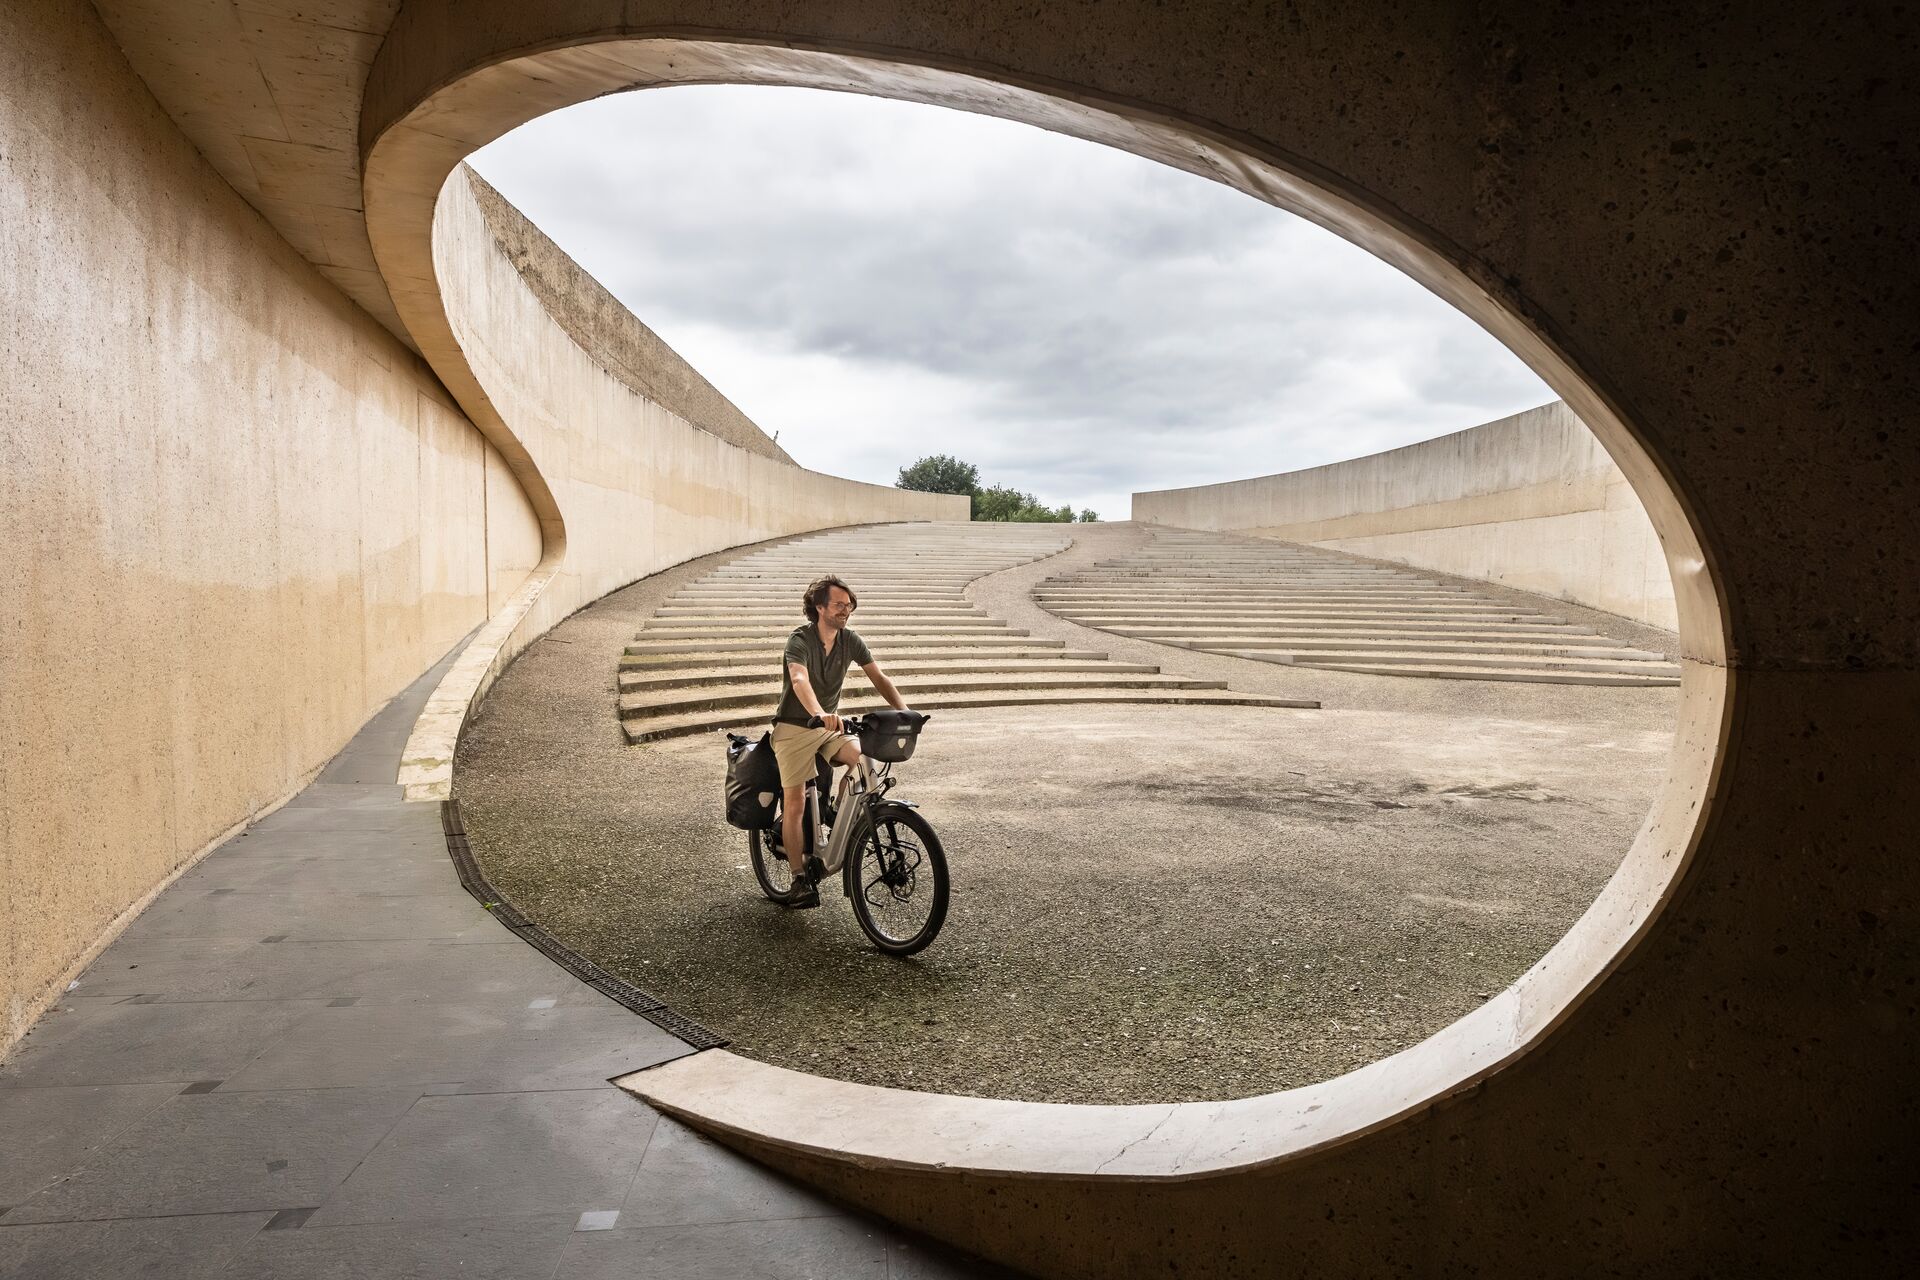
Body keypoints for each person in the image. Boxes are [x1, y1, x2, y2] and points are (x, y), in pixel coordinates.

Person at [769, 575, 910, 907]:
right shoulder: (799, 640)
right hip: (793, 727)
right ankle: (799, 879)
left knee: (862, 760)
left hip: (828, 726)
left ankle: (833, 810)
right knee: (795, 803)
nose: (846, 610)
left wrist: (905, 712)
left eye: (849, 604)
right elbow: (799, 678)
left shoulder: (851, 640)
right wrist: (820, 712)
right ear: (819, 607)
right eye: (839, 604)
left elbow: (879, 677)